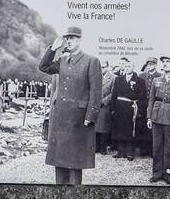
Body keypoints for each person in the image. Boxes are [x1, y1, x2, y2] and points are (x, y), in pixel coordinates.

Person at [38, 26, 101, 184]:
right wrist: (53, 49)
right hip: (61, 118)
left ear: (80, 40)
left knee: (74, 162)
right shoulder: (62, 61)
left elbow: (96, 92)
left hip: (78, 120)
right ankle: (61, 197)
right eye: (67, 38)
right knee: (59, 160)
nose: (69, 41)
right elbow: (43, 67)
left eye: (73, 38)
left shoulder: (91, 61)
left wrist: (90, 116)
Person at [148, 54, 170, 185]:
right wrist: (149, 117)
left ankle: (167, 173)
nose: (165, 64)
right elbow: (151, 100)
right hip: (157, 116)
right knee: (156, 147)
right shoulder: (156, 80)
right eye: (163, 62)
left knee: (169, 148)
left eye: (168, 61)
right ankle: (156, 173)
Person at [110, 56, 139, 159]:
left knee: (130, 130)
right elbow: (114, 93)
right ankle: (120, 151)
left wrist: (139, 111)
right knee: (119, 129)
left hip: (130, 108)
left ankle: (130, 152)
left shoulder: (139, 80)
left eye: (129, 66)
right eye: (125, 66)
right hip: (119, 107)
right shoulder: (119, 79)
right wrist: (112, 108)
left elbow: (141, 97)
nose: (127, 68)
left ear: (133, 68)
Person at [95, 64, 116, 154]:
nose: (101, 69)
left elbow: (113, 92)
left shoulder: (113, 78)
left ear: (107, 67)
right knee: (96, 126)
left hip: (105, 105)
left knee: (104, 127)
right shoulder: (96, 76)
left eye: (103, 67)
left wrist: (104, 101)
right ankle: (96, 147)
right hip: (95, 104)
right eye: (100, 67)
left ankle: (103, 148)